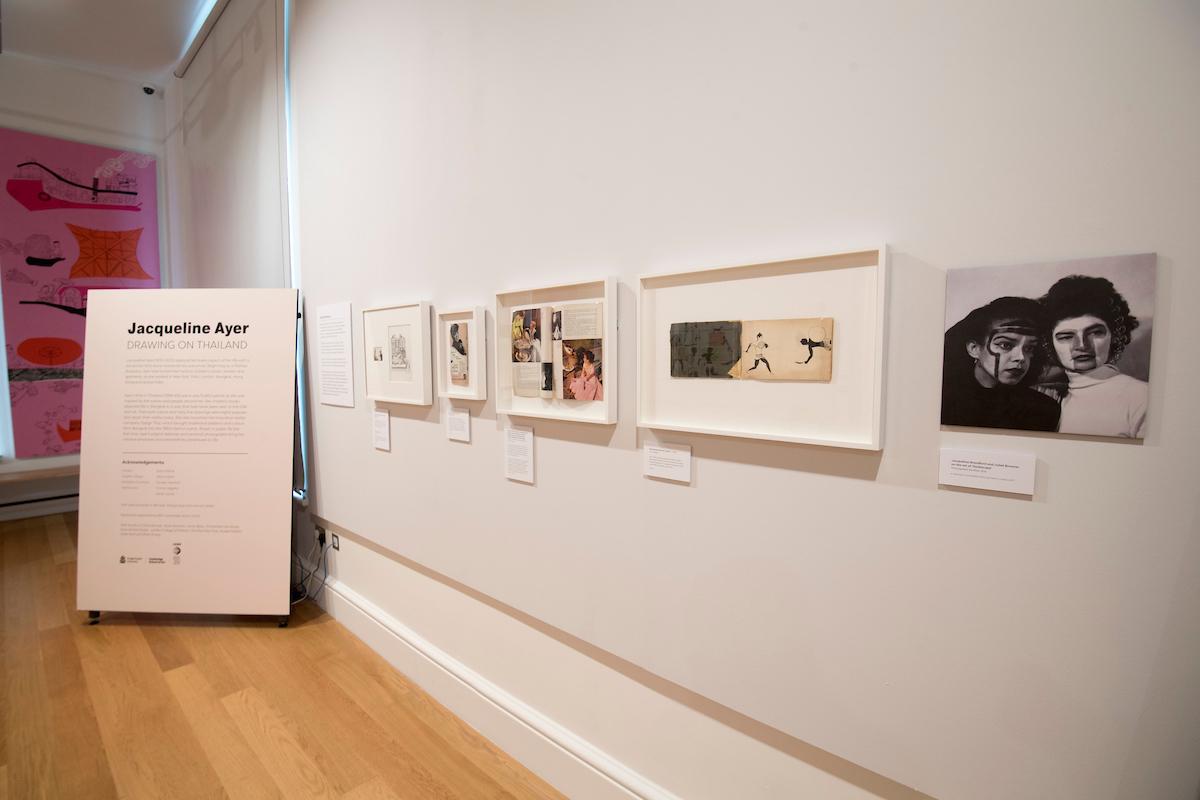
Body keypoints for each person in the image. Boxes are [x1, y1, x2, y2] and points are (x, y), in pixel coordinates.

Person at [1040, 275, 1147, 437]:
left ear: (1115, 335)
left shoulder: (1141, 397)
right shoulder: (1048, 398)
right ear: (1050, 344)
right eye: (1066, 337)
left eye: (1095, 333)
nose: (1082, 345)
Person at [941, 296, 1060, 431]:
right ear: (974, 349)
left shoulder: (1043, 410)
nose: (1021, 357)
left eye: (1029, 348)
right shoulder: (941, 401)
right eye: (1005, 345)